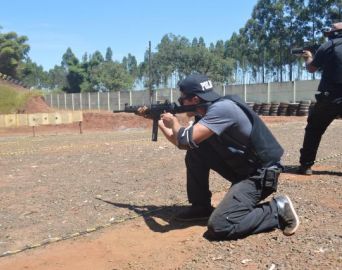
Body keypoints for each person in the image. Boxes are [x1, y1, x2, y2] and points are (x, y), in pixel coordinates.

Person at [139, 73, 300, 240]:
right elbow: (183, 144)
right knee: (196, 151)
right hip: (244, 168)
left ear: (194, 100)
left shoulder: (223, 109)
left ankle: (277, 209)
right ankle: (201, 206)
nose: (180, 103)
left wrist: (173, 122)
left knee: (221, 226)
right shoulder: (207, 113)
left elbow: (184, 139)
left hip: (260, 174)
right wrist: (158, 119)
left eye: (182, 99)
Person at [297, 22, 342, 175]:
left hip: (330, 97)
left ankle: (306, 165)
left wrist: (308, 57)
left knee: (314, 129)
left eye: (332, 29)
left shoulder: (328, 46)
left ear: (335, 33)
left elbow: (311, 68)